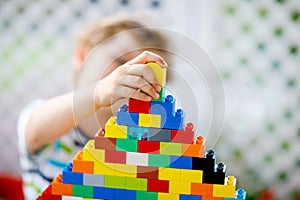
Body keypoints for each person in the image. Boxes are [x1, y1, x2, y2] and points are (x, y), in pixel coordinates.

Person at [17, 16, 168, 199]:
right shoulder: (49, 124)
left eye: (151, 75)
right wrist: (98, 92)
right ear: (82, 57)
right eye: (121, 62)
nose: (136, 77)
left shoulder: (138, 145)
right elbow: (35, 129)